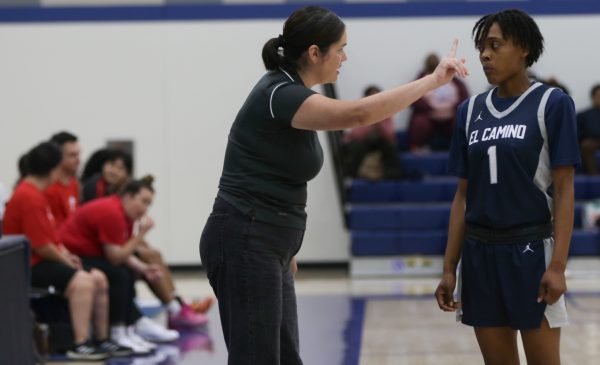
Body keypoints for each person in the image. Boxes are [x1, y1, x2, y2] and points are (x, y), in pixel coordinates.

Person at [199, 5, 468, 365]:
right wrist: (432, 81)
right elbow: (358, 114)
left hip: (266, 243)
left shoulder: (292, 93)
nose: (344, 56)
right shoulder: (281, 93)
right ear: (314, 52)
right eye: (340, 48)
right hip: (245, 238)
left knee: (285, 357)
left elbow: (273, 170)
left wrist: (286, 249)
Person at [434, 9, 579, 365]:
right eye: (482, 47)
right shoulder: (469, 111)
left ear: (524, 49)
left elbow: (564, 191)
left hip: (531, 250)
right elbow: (463, 196)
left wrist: (558, 265)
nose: (484, 54)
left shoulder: (552, 104)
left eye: (495, 45)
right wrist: (450, 267)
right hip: (480, 254)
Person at [3, 142, 131, 360]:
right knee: (83, 282)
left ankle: (101, 339)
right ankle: (79, 343)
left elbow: (51, 237)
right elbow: (41, 247)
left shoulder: (38, 193)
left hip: (43, 260)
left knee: (99, 277)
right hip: (28, 266)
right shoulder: (28, 196)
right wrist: (66, 260)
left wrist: (66, 255)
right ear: (53, 168)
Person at [59, 177, 181, 354]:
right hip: (71, 257)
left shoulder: (124, 213)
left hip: (89, 254)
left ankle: (130, 326)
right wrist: (141, 234)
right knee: (119, 273)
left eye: (149, 204)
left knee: (128, 270)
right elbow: (116, 257)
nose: (146, 209)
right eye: (144, 202)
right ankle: (119, 331)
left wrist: (143, 268)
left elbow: (121, 253)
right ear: (129, 197)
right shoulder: (112, 213)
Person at [408, 52, 470, 152]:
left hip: (450, 116)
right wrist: (430, 107)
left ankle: (462, 149)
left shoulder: (453, 79)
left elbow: (464, 97)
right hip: (428, 116)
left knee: (460, 122)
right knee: (419, 123)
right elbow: (412, 98)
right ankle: (416, 148)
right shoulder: (420, 80)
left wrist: (452, 107)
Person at [342, 85, 404, 180]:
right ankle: (352, 175)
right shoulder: (358, 110)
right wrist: (370, 118)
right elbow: (356, 135)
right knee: (356, 146)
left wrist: (379, 118)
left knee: (390, 145)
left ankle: (393, 173)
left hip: (379, 143)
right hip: (362, 143)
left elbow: (389, 134)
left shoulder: (387, 110)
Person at [44, 131, 81, 228]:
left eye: (78, 154)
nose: (78, 159)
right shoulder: (49, 189)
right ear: (57, 157)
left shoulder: (74, 183)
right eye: (72, 155)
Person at [577, 84, 600, 174]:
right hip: (592, 142)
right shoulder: (583, 115)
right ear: (593, 97)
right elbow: (577, 134)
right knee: (586, 145)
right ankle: (594, 177)